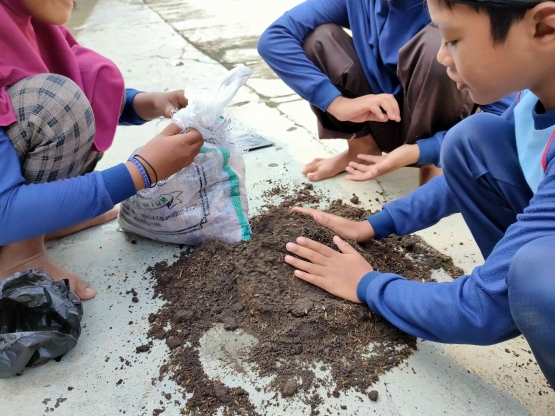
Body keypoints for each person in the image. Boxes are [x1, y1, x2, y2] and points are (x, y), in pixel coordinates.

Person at [284, 0, 555, 388]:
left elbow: (481, 309)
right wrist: (375, 225)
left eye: (454, 39)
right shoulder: (532, 97)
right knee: (471, 140)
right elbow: (470, 170)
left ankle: (519, 295)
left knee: (535, 277)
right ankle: (515, 292)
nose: (442, 56)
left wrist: (367, 284)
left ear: (544, 28)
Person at [0, 0, 203, 300]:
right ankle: (20, 257)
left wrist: (151, 102)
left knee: (70, 100)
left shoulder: (24, 21)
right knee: (57, 104)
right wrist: (141, 172)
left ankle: (44, 222)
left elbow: (89, 89)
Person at [257, 0, 514, 184]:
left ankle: (436, 165)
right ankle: (361, 147)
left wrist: (424, 151)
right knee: (317, 36)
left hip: (440, 127)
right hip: (380, 116)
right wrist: (336, 103)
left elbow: (506, 116)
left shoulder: (463, 9)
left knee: (439, 46)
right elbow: (275, 37)